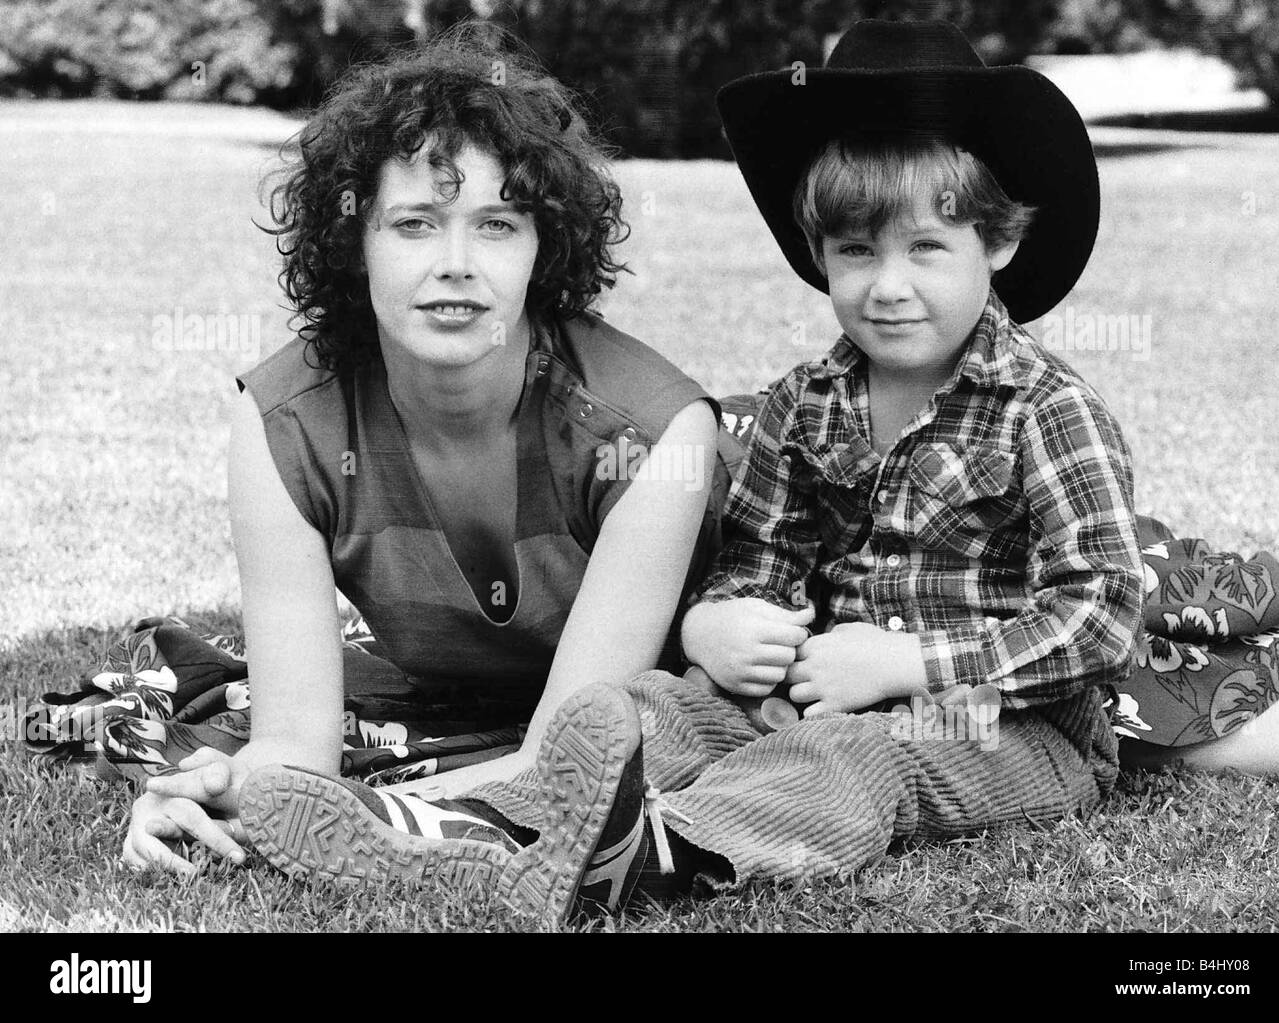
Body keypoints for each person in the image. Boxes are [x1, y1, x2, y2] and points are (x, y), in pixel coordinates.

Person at [239, 18, 1148, 926]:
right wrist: (722, 622)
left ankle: (647, 857)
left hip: (994, 717)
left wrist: (906, 662)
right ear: (819, 252)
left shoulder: (1046, 409)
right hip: (811, 693)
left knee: (848, 764)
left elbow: (1100, 615)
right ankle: (461, 830)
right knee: (654, 707)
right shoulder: (808, 402)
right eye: (858, 252)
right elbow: (760, 555)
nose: (888, 286)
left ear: (998, 245)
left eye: (927, 250)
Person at [106, 26, 728, 879]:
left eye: (498, 225)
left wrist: (330, 815)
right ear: (354, 240)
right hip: (473, 705)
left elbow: (559, 766)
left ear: (545, 247)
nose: (457, 265)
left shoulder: (652, 436)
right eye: (415, 224)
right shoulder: (284, 424)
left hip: (686, 676)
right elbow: (295, 746)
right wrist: (200, 793)